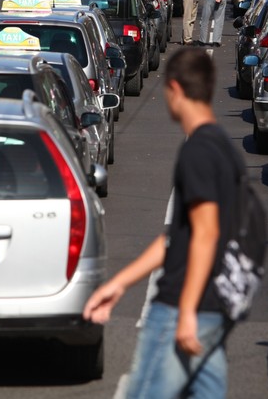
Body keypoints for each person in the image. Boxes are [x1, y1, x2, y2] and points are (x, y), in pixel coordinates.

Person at [84, 48, 241, 398]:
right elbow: (180, 234)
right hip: (214, 305)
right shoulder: (222, 148)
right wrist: (120, 283)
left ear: (174, 89)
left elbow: (205, 233)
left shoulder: (198, 151)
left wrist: (186, 311)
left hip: (182, 306)